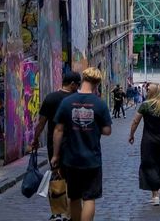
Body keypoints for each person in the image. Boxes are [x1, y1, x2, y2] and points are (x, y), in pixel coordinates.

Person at [52, 67, 112, 221]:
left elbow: (58, 130)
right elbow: (107, 131)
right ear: (97, 84)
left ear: (83, 79)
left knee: (74, 197)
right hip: (91, 159)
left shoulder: (67, 102)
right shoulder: (99, 104)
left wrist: (55, 155)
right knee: (89, 198)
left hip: (71, 159)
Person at [32, 71, 81, 221]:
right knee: (72, 178)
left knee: (57, 177)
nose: (78, 87)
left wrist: (35, 140)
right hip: (75, 144)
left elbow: (41, 122)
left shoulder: (51, 98)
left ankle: (58, 212)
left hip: (55, 145)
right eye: (77, 84)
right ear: (72, 84)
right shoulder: (76, 99)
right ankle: (69, 213)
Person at [128, 83, 160, 206]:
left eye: (148, 89)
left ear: (152, 92)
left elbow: (135, 121)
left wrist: (131, 135)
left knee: (150, 166)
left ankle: (155, 195)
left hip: (148, 141)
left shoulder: (145, 106)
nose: (146, 91)